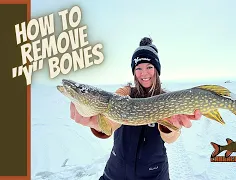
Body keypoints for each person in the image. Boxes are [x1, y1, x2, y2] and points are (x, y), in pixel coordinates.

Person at [69, 37, 202, 180]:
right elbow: (111, 121)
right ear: (134, 72)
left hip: (154, 174)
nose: (144, 73)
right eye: (138, 68)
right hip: (116, 172)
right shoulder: (125, 93)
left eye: (149, 67)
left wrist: (170, 128)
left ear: (157, 70)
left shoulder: (167, 98)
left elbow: (170, 137)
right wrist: (98, 124)